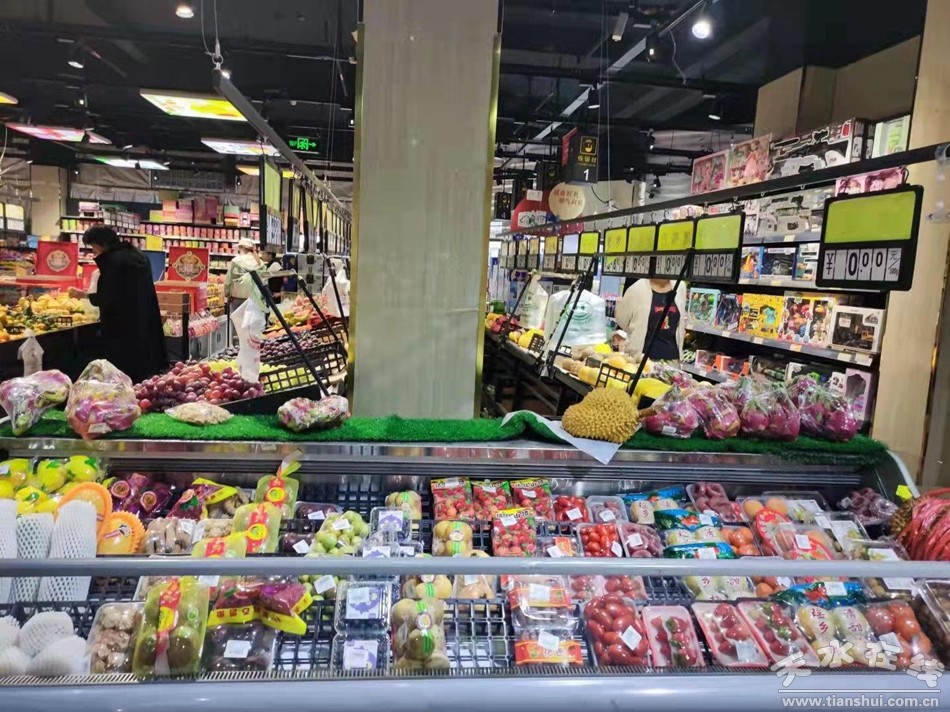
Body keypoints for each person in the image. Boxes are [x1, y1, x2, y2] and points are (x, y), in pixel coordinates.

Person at [68, 226, 166, 382]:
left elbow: (107, 296)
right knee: (144, 372)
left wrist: (86, 296)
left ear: (100, 244)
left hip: (123, 328)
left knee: (122, 372)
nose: (95, 252)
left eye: (94, 248)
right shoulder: (138, 255)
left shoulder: (113, 261)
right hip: (145, 322)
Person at [614, 278, 687, 362]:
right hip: (640, 360)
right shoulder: (636, 288)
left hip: (672, 360)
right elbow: (622, 319)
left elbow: (680, 323)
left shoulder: (680, 286)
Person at [224, 238, 263, 311]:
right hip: (255, 299)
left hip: (238, 297)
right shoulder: (260, 262)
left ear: (241, 248)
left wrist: (227, 294)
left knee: (237, 318)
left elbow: (228, 280)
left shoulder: (236, 261)